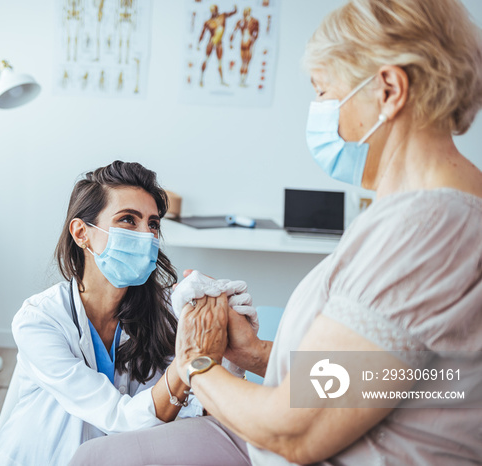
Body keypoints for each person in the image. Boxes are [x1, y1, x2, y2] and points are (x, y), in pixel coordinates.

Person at [70, 0, 482, 464]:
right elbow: (396, 377)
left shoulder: (427, 229)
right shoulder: (434, 216)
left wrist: (195, 362)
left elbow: (295, 432)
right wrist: (256, 354)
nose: (323, 114)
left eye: (325, 93)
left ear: (388, 89)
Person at [0, 161, 200, 466]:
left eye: (153, 224)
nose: (146, 236)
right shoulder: (40, 320)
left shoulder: (164, 311)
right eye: (128, 220)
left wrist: (224, 336)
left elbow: (194, 407)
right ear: (82, 232)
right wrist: (189, 359)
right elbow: (119, 417)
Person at [198, 4, 238, 87]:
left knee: (220, 62)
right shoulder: (208, 22)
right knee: (206, 59)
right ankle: (201, 79)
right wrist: (199, 43)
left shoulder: (222, 16)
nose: (213, 12)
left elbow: (232, 13)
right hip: (211, 42)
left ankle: (222, 80)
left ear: (217, 10)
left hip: (219, 43)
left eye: (214, 10)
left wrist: (235, 9)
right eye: (212, 10)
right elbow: (202, 33)